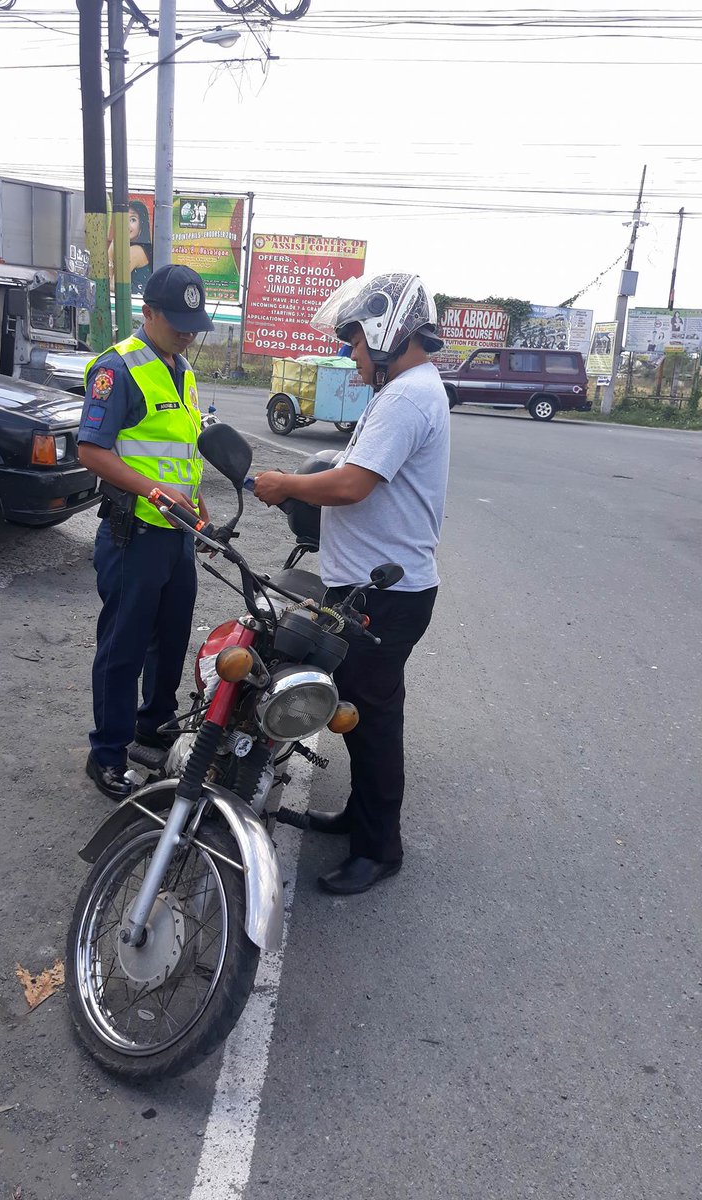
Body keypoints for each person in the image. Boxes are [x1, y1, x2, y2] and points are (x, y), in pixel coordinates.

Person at [254, 272, 451, 894]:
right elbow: (351, 469)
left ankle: (379, 849)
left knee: (374, 720)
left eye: (358, 341)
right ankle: (360, 819)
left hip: (386, 595)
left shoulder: (407, 397)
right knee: (363, 716)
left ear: (389, 334)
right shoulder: (404, 390)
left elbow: (352, 483)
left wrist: (286, 484)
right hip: (375, 587)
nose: (351, 353)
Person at [77, 264, 214, 800]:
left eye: (194, 325)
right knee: (124, 647)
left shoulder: (183, 370)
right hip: (133, 532)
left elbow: (182, 450)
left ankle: (153, 727)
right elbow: (92, 451)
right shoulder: (117, 368)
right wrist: (154, 491)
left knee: (171, 638)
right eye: (178, 323)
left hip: (177, 533)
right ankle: (107, 754)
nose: (188, 334)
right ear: (148, 312)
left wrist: (198, 506)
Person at [108, 198, 154, 295]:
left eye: (132, 220)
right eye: (124, 219)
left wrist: (112, 250)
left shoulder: (135, 251)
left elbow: (114, 285)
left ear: (141, 224)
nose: (127, 225)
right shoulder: (134, 247)